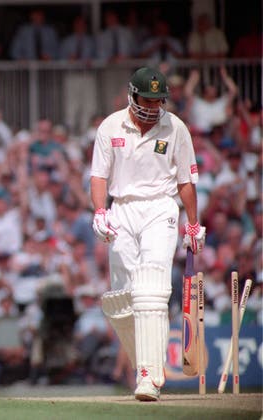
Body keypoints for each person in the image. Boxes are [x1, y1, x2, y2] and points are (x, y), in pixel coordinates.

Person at [90, 67, 206, 401]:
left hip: (160, 207)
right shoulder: (111, 126)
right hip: (122, 208)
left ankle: (148, 377)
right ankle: (145, 367)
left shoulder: (175, 128)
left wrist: (193, 223)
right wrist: (100, 211)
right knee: (124, 297)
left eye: (159, 100)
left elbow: (185, 180)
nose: (154, 106)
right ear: (133, 95)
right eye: (148, 99)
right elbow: (98, 176)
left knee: (151, 286)